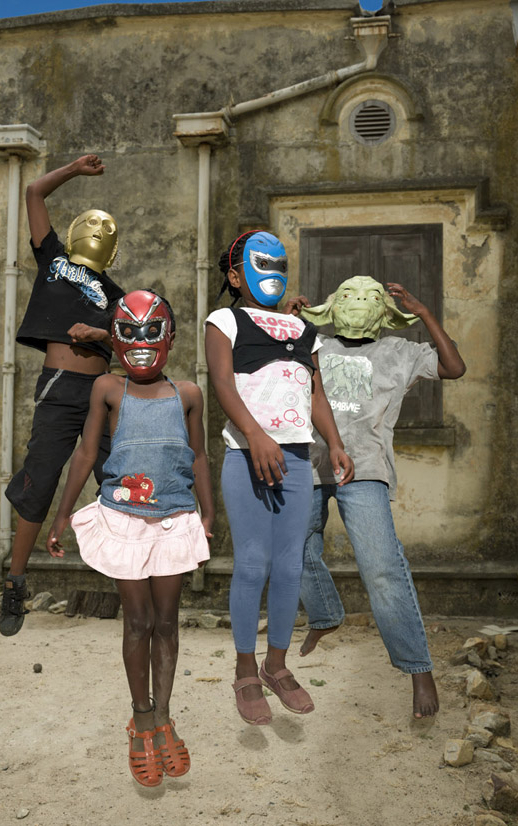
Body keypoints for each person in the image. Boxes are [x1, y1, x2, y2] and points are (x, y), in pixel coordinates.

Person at [46, 289, 214, 787]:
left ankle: (164, 716)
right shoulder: (107, 389)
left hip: (173, 520)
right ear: (116, 339)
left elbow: (199, 457)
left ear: (171, 338)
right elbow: (84, 454)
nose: (142, 342)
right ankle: (140, 718)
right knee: (137, 621)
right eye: (130, 332)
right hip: (123, 520)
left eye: (152, 331)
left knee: (168, 623)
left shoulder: (188, 394)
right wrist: (60, 516)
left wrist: (207, 517)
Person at [294, 276, 466, 718]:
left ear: (386, 312)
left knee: (383, 569)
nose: (359, 303)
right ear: (333, 306)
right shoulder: (314, 342)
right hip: (309, 464)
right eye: (349, 295)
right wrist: (288, 319)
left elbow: (454, 368)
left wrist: (424, 313)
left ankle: (418, 668)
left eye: (370, 296)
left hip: (365, 468)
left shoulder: (400, 352)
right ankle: (325, 614)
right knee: (292, 548)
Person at [204, 230, 353, 726]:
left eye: (279, 263)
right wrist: (255, 435)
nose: (272, 271)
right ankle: (245, 671)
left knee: (291, 566)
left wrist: (333, 442)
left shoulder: (299, 328)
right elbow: (222, 382)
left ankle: (277, 666)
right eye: (260, 262)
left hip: (295, 461)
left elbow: (314, 393)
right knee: (251, 564)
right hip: (247, 456)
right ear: (235, 273)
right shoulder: (225, 319)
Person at [1, 154, 125, 637]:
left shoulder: (115, 295)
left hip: (103, 390)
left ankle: (131, 582)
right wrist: (74, 169)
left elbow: (133, 343)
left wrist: (101, 338)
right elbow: (33, 192)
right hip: (59, 387)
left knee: (117, 480)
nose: (97, 233)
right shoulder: (52, 258)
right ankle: (14, 584)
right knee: (40, 480)